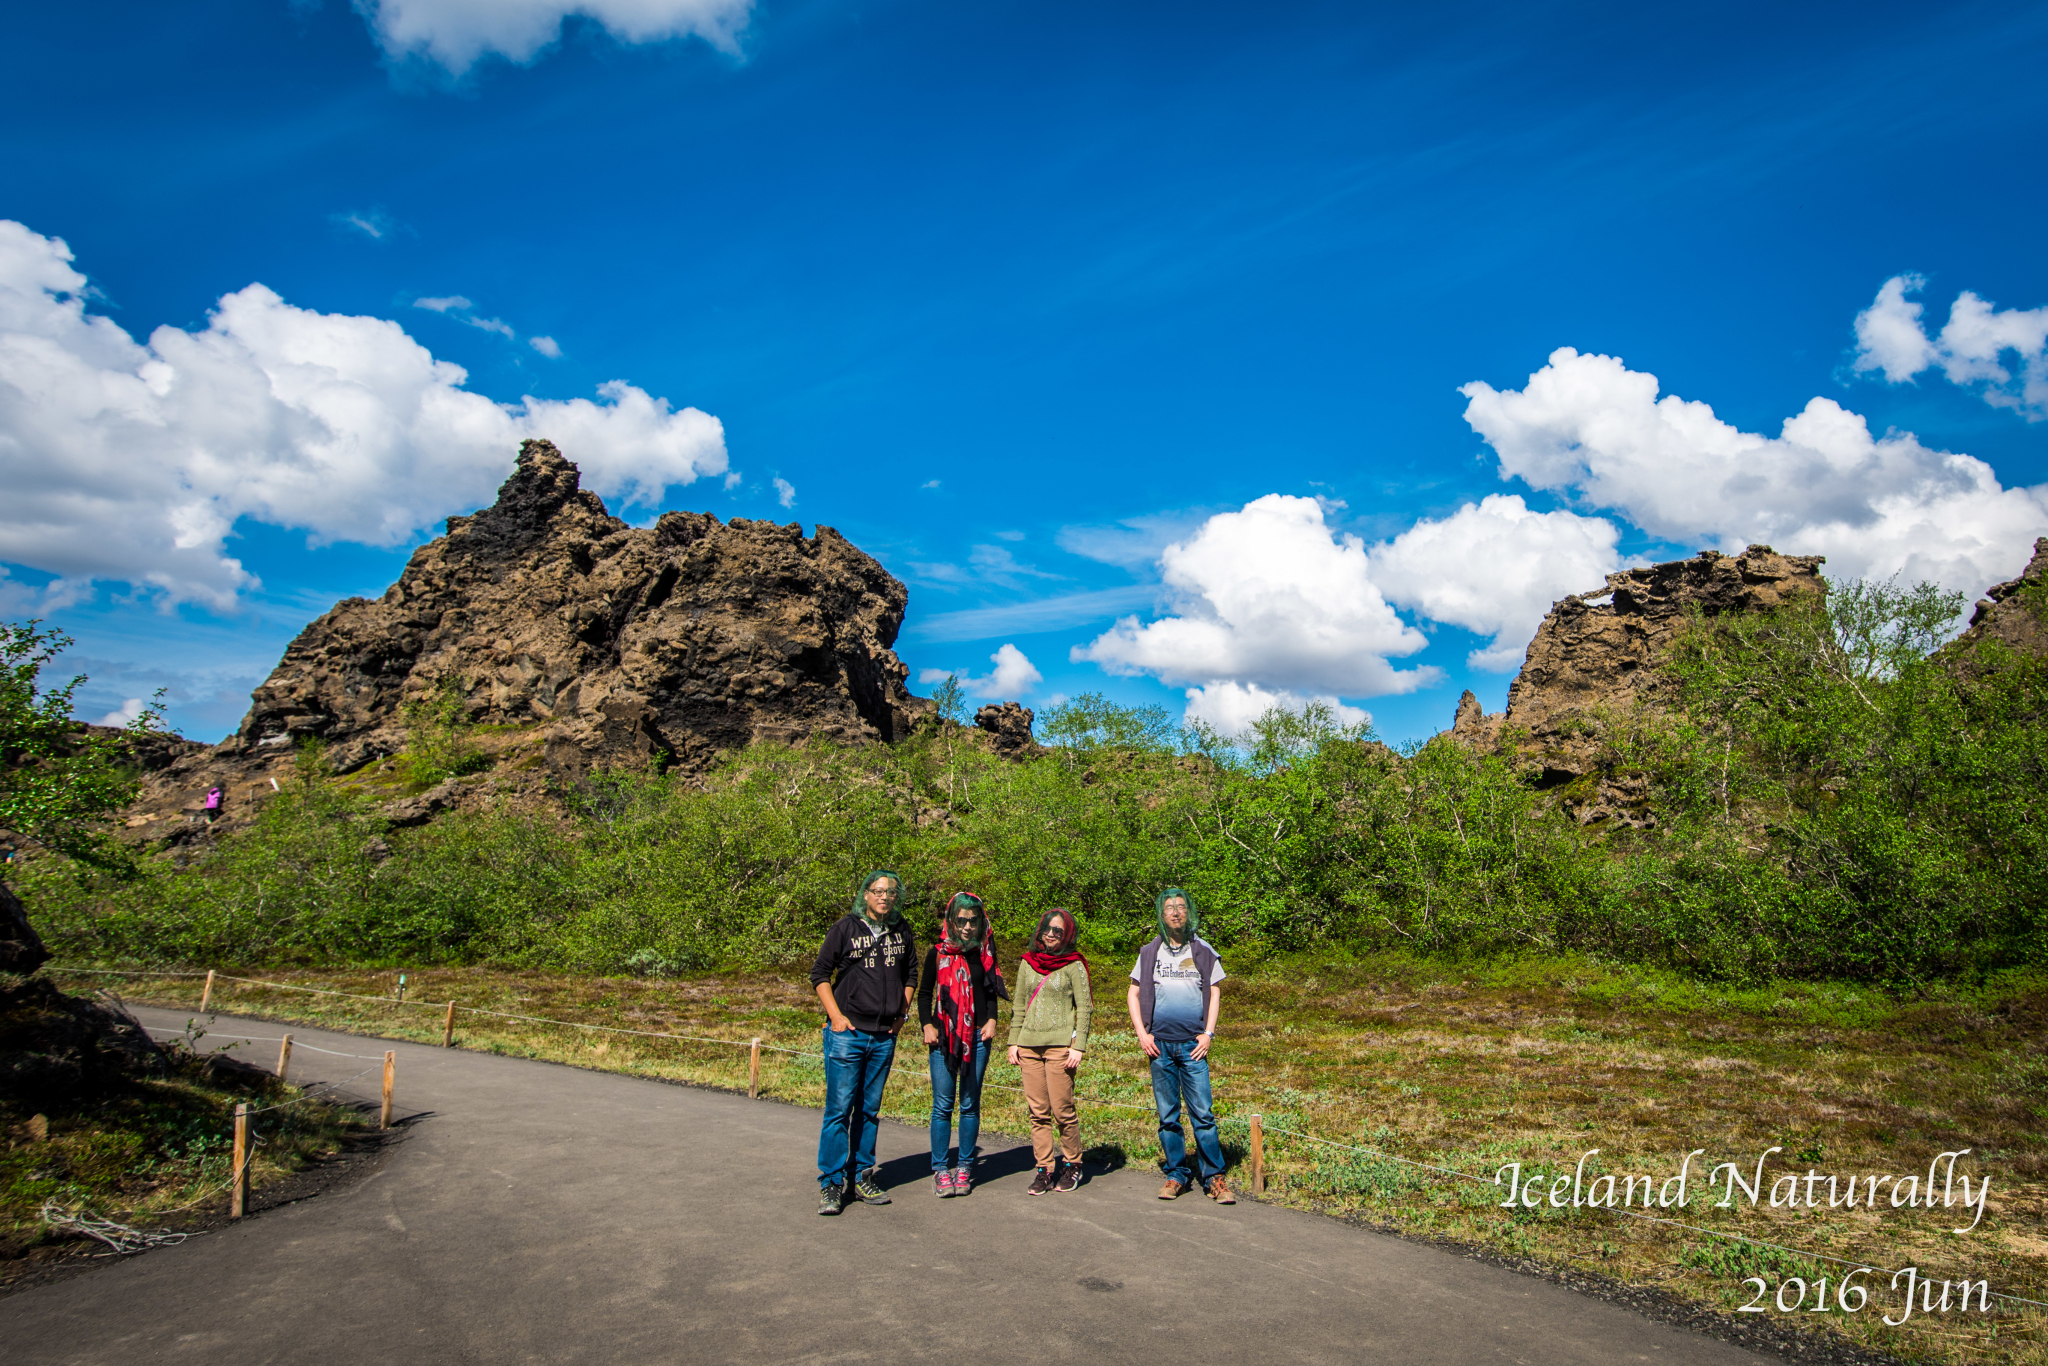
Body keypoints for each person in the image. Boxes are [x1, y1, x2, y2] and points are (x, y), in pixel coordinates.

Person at [809, 869, 918, 1215]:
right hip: (848, 1035)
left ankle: (861, 1176)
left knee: (869, 1111)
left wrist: (902, 1013)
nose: (884, 897)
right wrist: (837, 1017)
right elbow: (819, 975)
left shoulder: (902, 930)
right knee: (839, 1110)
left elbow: (911, 973)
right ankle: (831, 1182)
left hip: (884, 1035)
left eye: (890, 892)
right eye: (878, 891)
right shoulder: (845, 928)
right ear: (865, 895)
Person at [1127, 887, 1233, 1203]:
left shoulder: (1202, 950)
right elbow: (1132, 994)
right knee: (1168, 1117)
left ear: (1189, 913)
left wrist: (1208, 1034)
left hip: (1193, 1047)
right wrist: (1142, 1034)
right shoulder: (1149, 952)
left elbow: (1214, 993)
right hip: (1160, 1047)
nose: (1175, 912)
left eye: (1181, 907)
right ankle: (1176, 1175)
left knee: (1203, 1115)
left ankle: (1214, 1178)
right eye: (1169, 907)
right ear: (1161, 914)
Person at [916, 892, 1007, 1197]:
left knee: (969, 1104)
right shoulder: (937, 953)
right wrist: (927, 1025)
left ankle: (965, 1166)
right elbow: (925, 993)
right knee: (942, 1105)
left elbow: (991, 990)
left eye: (973, 920)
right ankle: (941, 1170)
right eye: (962, 920)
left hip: (978, 1038)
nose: (968, 926)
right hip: (943, 1038)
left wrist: (992, 1020)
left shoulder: (983, 952)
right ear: (951, 920)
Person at [1008, 908, 1092, 1195]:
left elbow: (1085, 1007)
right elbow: (1019, 1004)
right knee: (1038, 1112)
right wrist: (1013, 1041)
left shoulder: (1074, 965)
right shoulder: (1027, 962)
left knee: (1062, 1110)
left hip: (1060, 1049)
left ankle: (1072, 1164)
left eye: (1058, 930)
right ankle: (1044, 1169)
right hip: (1029, 1046)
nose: (1052, 934)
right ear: (1040, 930)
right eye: (1048, 929)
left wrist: (1078, 1045)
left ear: (1067, 934)